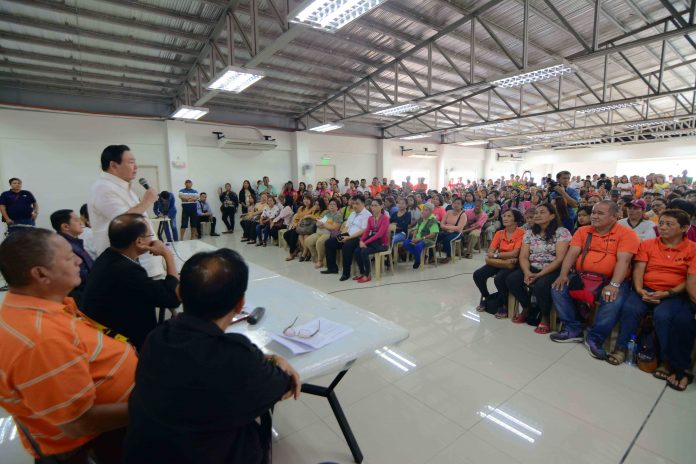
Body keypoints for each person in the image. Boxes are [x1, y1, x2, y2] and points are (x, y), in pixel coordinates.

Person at [123, 248, 300, 464]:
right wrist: (276, 360)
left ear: (179, 293)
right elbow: (282, 384)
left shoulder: (157, 336)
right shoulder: (236, 357)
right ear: (240, 304)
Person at [0, 228, 137, 463]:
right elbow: (77, 423)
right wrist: (151, 406)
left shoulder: (43, 306)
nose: (78, 260)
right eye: (67, 257)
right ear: (41, 274)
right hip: (94, 444)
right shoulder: (41, 340)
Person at [609, 209, 696, 372]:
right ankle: (621, 349)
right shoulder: (648, 244)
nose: (663, 227)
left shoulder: (692, 249)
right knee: (630, 309)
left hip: (673, 293)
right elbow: (639, 270)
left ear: (685, 228)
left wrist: (668, 293)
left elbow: (689, 280)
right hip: (645, 288)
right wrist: (641, 290)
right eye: (661, 223)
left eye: (669, 224)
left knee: (663, 316)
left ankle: (665, 360)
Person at [550, 201, 640, 359]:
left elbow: (624, 261)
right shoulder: (583, 231)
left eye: (600, 213)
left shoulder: (626, 234)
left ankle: (595, 338)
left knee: (613, 300)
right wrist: (563, 275)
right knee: (558, 287)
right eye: (593, 213)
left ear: (614, 216)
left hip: (612, 279)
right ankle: (573, 329)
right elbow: (572, 254)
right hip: (583, 276)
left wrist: (614, 285)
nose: (594, 216)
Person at [82, 214, 180, 351]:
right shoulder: (127, 270)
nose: (152, 238)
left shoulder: (107, 257)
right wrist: (167, 255)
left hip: (106, 333)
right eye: (150, 234)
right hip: (128, 344)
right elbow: (173, 298)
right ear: (139, 242)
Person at [505, 204, 571, 330]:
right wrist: (526, 272)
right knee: (512, 279)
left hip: (553, 267)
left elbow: (560, 259)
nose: (537, 215)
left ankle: (545, 317)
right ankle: (527, 307)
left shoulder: (562, 232)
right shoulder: (529, 233)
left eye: (542, 212)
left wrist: (539, 275)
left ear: (552, 216)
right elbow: (523, 256)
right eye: (536, 213)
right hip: (533, 266)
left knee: (541, 285)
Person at [88, 145, 158, 256]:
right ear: (113, 165)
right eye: (131, 162)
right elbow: (123, 221)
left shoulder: (124, 187)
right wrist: (147, 202)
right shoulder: (103, 188)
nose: (136, 167)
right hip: (119, 260)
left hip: (139, 257)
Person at [473, 209, 525, 314]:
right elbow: (490, 251)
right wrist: (497, 255)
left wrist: (495, 255)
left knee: (499, 279)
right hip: (500, 261)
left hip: (512, 263)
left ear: (516, 219)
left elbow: (515, 253)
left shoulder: (522, 233)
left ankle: (504, 304)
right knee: (478, 275)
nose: (505, 218)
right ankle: (487, 297)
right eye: (504, 216)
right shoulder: (499, 233)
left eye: (509, 216)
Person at [50, 209, 93, 306]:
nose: (81, 223)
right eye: (76, 220)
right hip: (80, 297)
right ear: (65, 226)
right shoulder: (64, 246)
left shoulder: (74, 243)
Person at [322, 194, 371, 280]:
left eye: (357, 203)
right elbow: (346, 227)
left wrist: (348, 238)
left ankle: (346, 273)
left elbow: (364, 230)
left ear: (363, 204)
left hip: (359, 238)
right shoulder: (352, 213)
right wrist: (342, 235)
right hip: (347, 235)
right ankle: (332, 268)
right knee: (329, 243)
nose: (354, 205)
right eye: (353, 203)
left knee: (346, 246)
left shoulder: (367, 215)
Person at [354, 199, 390, 283]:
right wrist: (361, 240)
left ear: (381, 206)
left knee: (364, 251)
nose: (373, 208)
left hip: (382, 244)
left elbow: (379, 234)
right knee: (357, 251)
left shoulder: (385, 218)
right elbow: (367, 231)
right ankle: (362, 272)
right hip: (373, 242)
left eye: (375, 205)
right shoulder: (370, 218)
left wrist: (365, 242)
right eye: (372, 205)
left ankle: (367, 275)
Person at [306, 198, 343, 268]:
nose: (332, 206)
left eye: (334, 204)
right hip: (319, 231)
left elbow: (335, 228)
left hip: (329, 234)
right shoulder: (327, 213)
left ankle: (320, 261)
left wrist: (323, 225)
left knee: (319, 242)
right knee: (308, 241)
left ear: (337, 207)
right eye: (330, 204)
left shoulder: (338, 215)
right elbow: (318, 222)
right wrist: (321, 224)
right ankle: (316, 258)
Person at [402, 203, 440, 269]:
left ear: (431, 212)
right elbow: (416, 230)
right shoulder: (421, 219)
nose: (423, 212)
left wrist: (420, 239)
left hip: (428, 239)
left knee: (418, 246)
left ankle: (417, 261)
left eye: (426, 210)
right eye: (423, 210)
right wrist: (414, 238)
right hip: (418, 238)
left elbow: (432, 235)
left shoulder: (433, 221)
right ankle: (419, 256)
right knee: (405, 243)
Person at [284, 194, 316, 261]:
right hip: (299, 226)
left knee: (293, 234)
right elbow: (297, 218)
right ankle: (297, 249)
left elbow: (312, 218)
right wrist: (295, 224)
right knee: (286, 234)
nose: (306, 201)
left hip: (307, 227)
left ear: (311, 200)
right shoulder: (301, 208)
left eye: (308, 199)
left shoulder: (313, 208)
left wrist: (301, 221)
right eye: (304, 199)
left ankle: (291, 254)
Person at [436, 197, 466, 264]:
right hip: (447, 230)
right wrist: (448, 228)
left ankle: (449, 256)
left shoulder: (463, 215)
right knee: (436, 236)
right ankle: (432, 256)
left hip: (457, 233)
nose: (456, 205)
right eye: (455, 203)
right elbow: (442, 224)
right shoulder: (449, 212)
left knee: (447, 239)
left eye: (458, 204)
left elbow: (459, 228)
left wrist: (448, 228)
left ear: (462, 205)